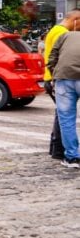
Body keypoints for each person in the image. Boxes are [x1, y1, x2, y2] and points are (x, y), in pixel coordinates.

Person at [44, 11, 80, 160]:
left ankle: (61, 152)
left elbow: (53, 56)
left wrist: (54, 72)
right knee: (63, 118)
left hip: (59, 77)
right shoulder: (63, 32)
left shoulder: (56, 30)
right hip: (60, 77)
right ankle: (59, 150)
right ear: (75, 20)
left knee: (63, 117)